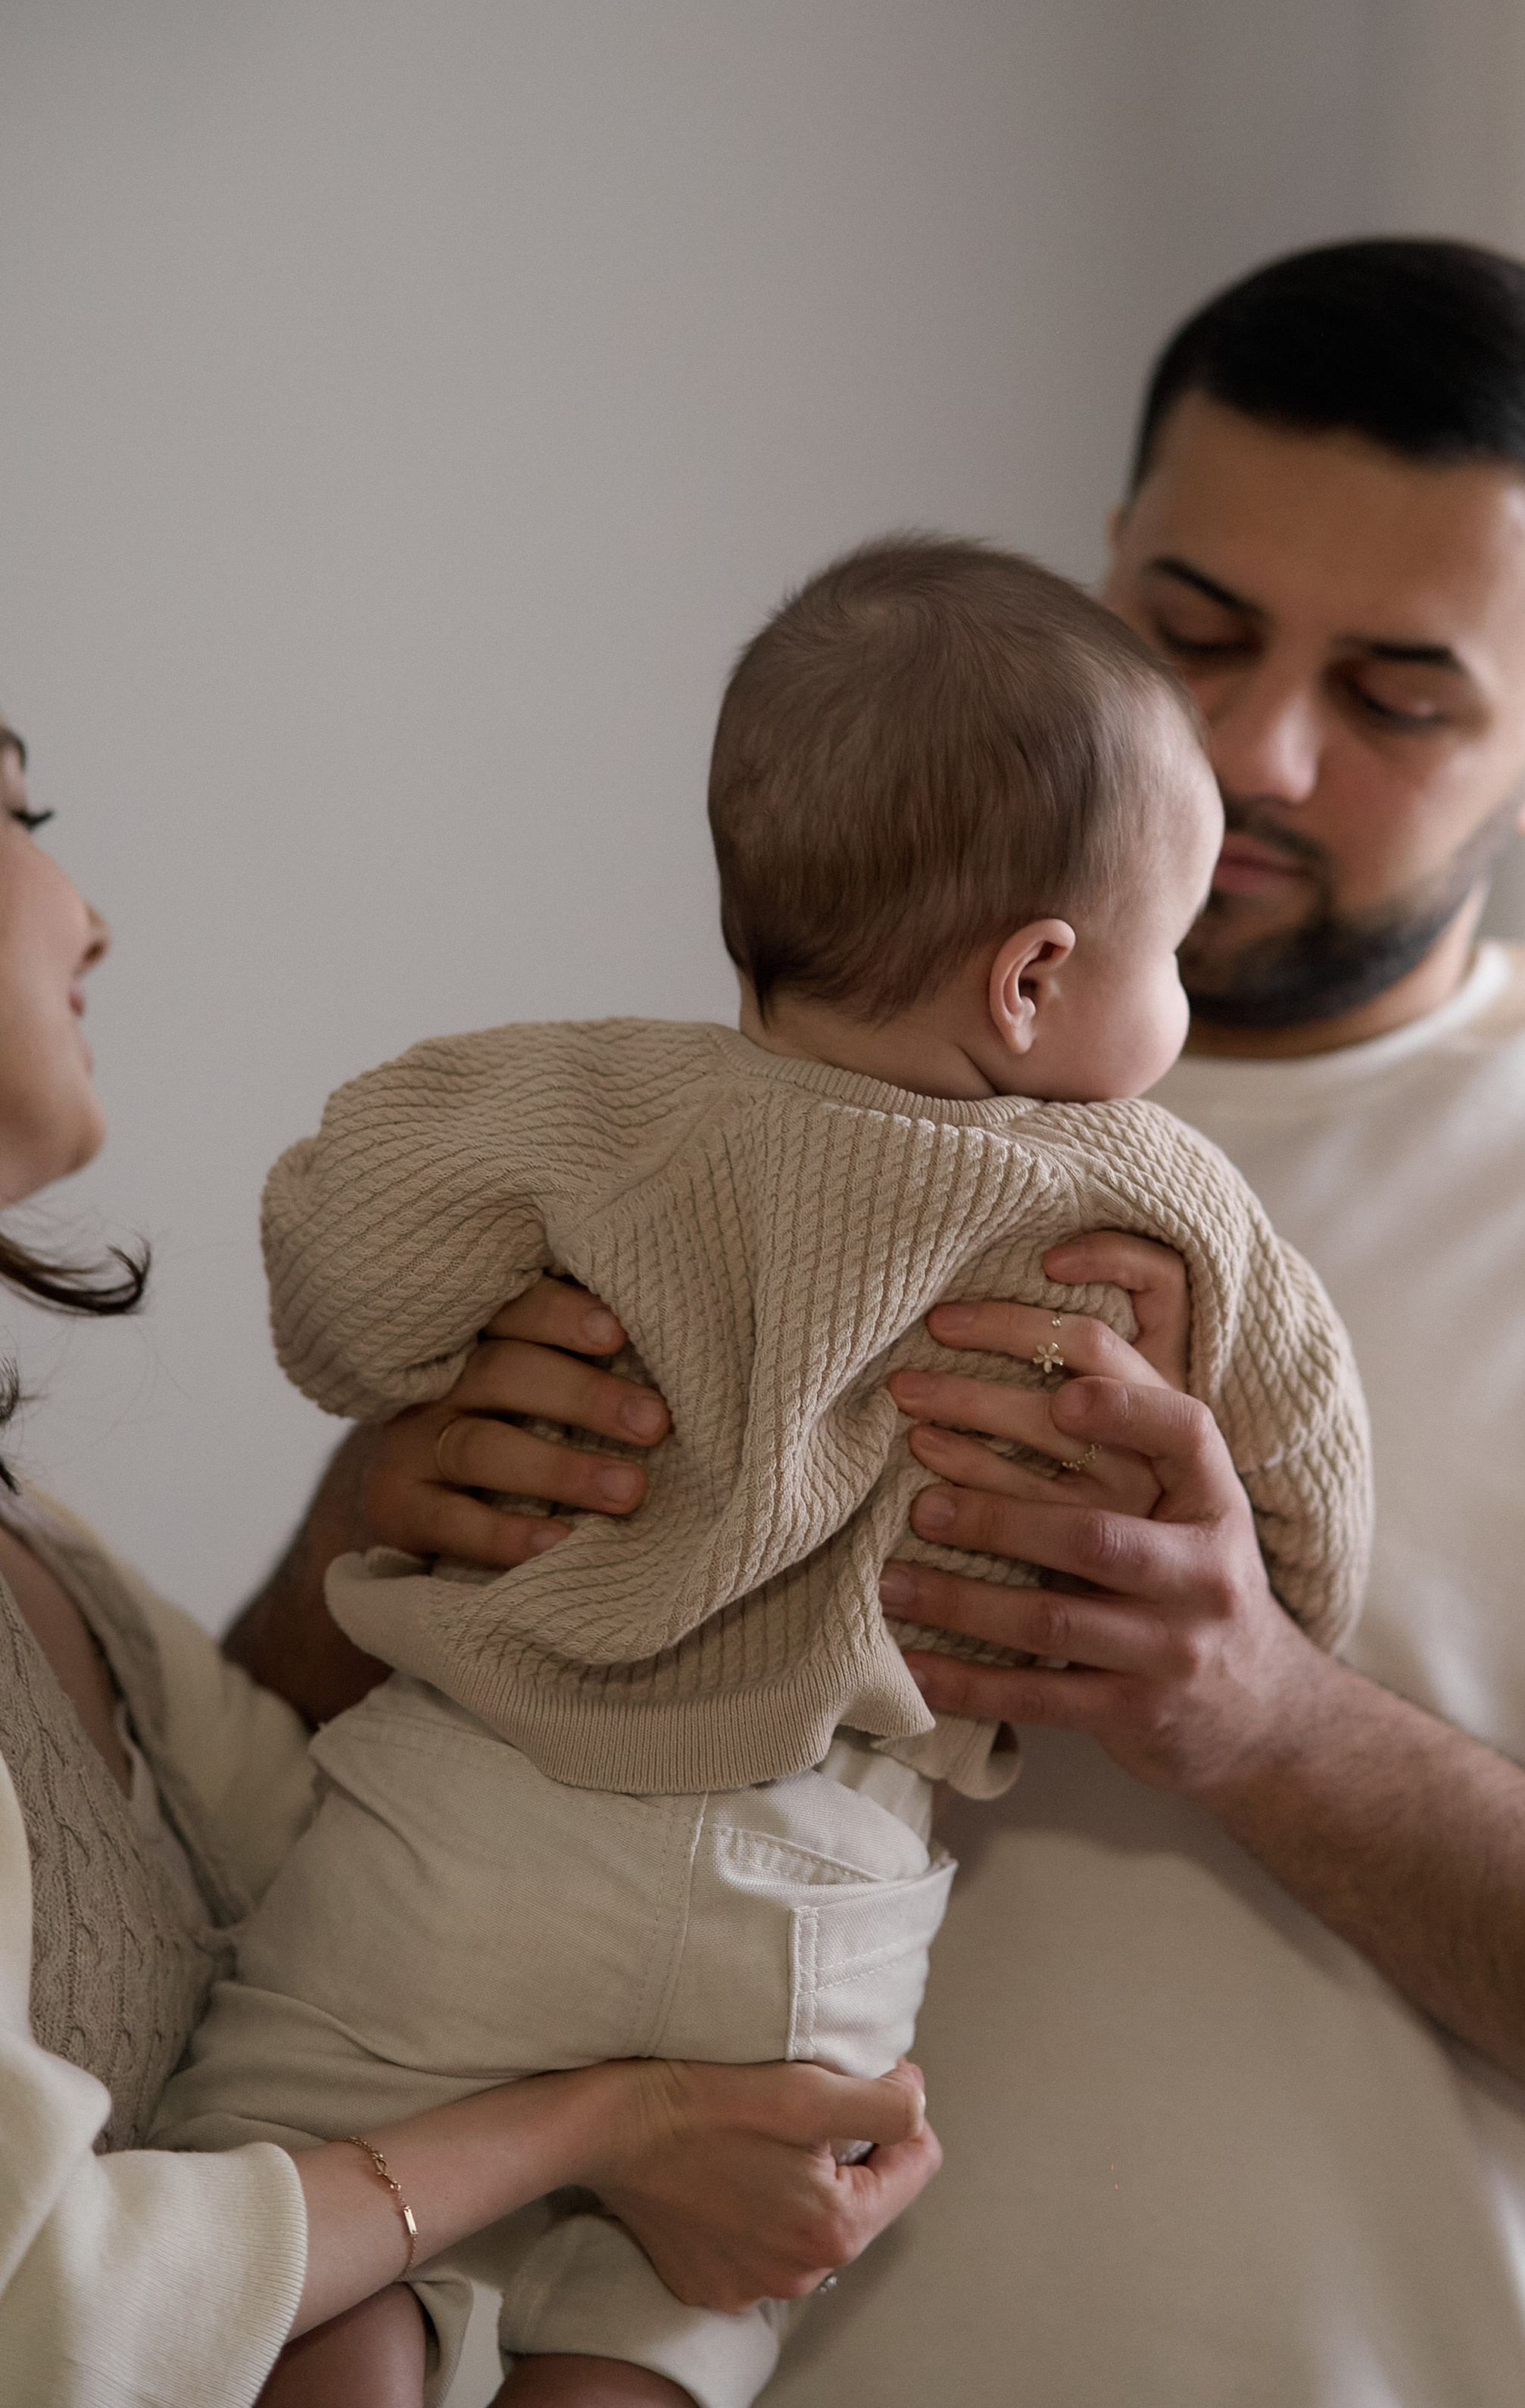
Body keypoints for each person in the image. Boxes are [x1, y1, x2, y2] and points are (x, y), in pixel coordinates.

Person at [742, 240, 1525, 2408]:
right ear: (1101, 568)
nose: (1255, 748)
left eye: (1398, 697)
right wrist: (411, 1495)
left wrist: (1269, 1721)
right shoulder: (791, 1089)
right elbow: (316, 1757)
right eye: (1189, 632)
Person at [161, 538, 1371, 2408]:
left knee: (300, 2247)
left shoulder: (586, 1096)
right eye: (1175, 947)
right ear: (1037, 977)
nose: (1185, 1004)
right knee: (659, 2331)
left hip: (483, 1833)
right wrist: (1211, 1456)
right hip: (815, 1905)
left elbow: (335, 1280)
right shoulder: (1151, 1195)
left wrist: (446, 1364)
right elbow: (1295, 1513)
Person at [0, 716, 940, 2408]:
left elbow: (288, 1838)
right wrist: (608, 2123)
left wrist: (417, 1522)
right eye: (15, 815)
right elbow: (44, 2305)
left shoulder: (43, 1549)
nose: (87, 908)